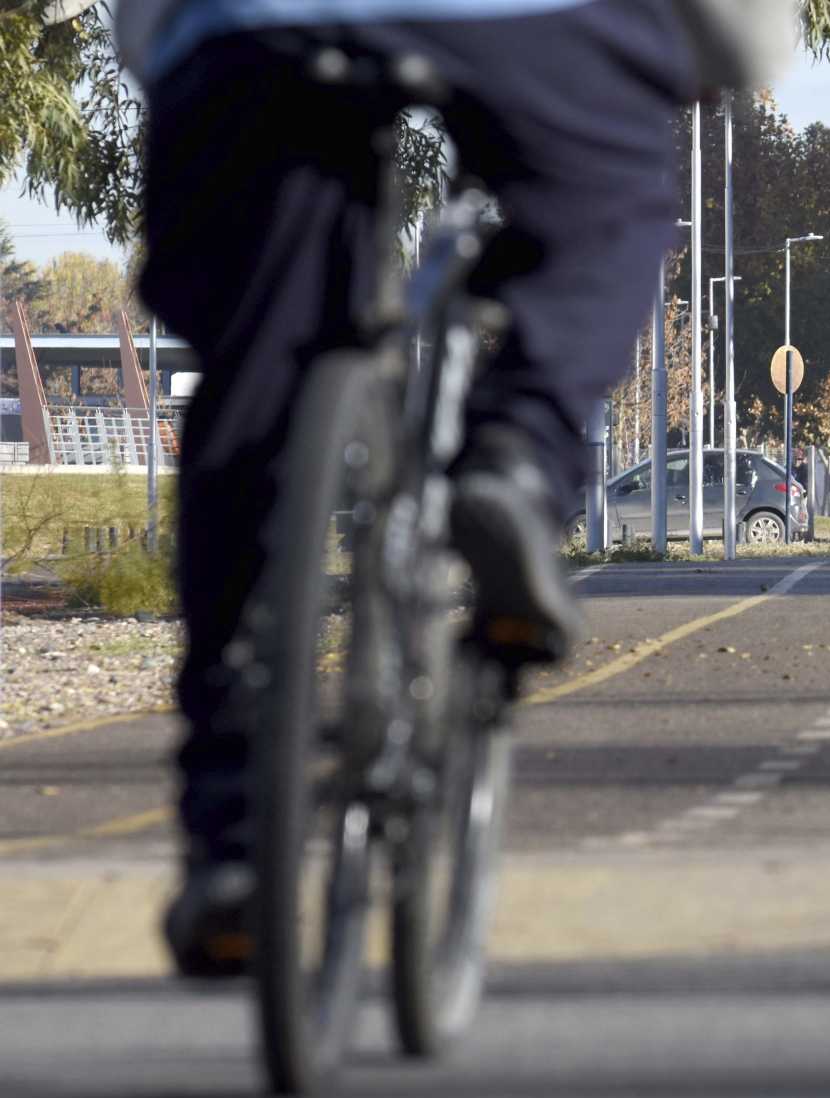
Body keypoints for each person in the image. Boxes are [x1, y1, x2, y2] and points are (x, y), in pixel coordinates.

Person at [117, 0, 792, 977]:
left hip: (256, 29)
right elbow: (736, 32)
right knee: (610, 210)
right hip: (533, 24)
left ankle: (232, 847)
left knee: (253, 387)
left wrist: (181, 61)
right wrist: (734, 53)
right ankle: (514, 456)